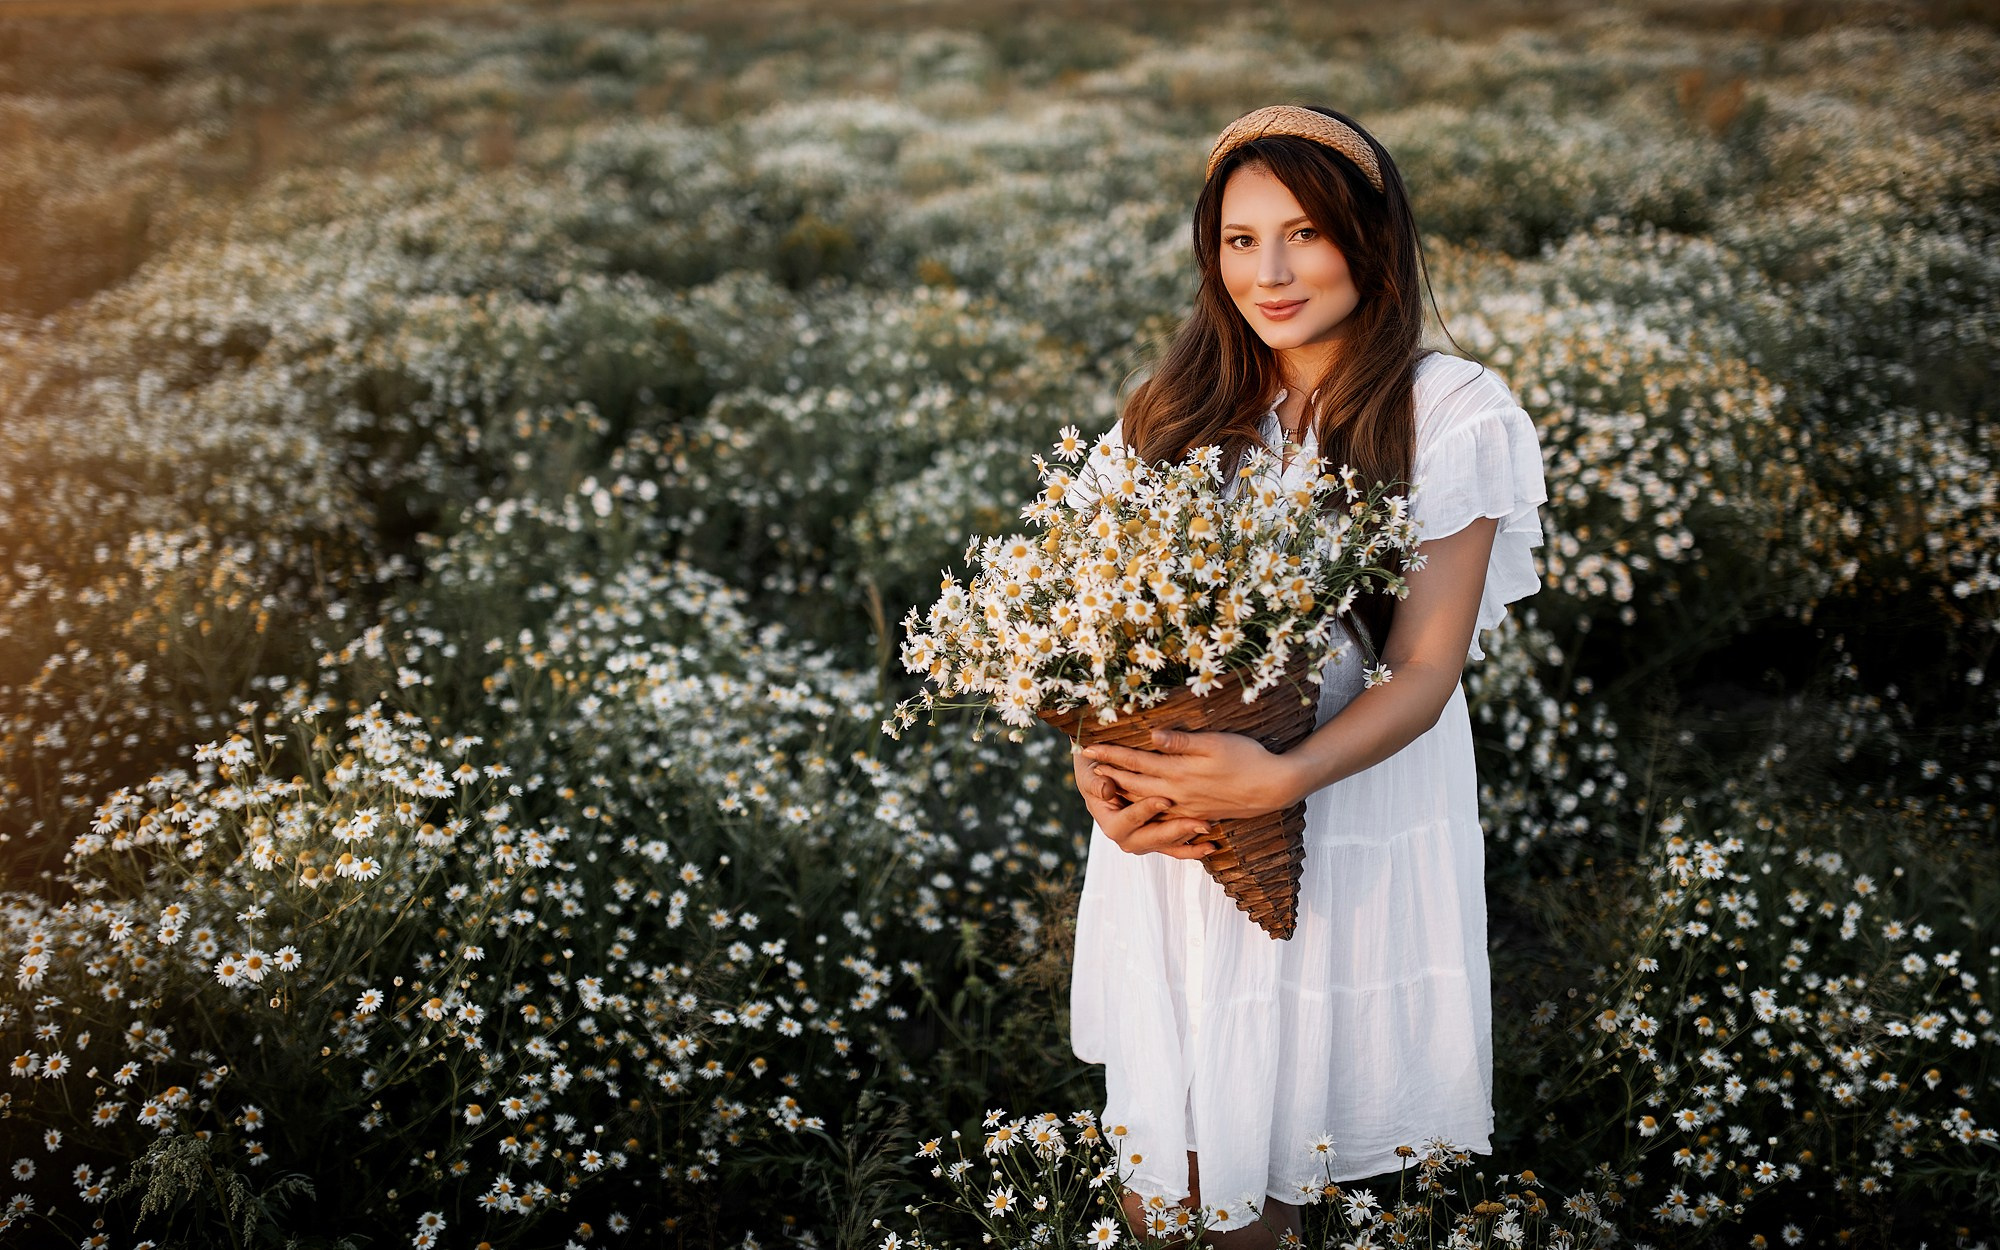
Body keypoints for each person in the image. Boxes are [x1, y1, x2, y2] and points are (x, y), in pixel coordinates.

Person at [1064, 105, 1549, 1248]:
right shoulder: (1174, 412)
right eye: (1238, 240)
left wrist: (1275, 783)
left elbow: (1425, 669)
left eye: (1303, 234)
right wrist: (1099, 771)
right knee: (1156, 1183)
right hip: (1179, 828)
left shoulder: (1447, 409)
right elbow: (1092, 636)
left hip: (1336, 806)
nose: (1268, 273)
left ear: (1369, 239)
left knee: (1251, 1173)